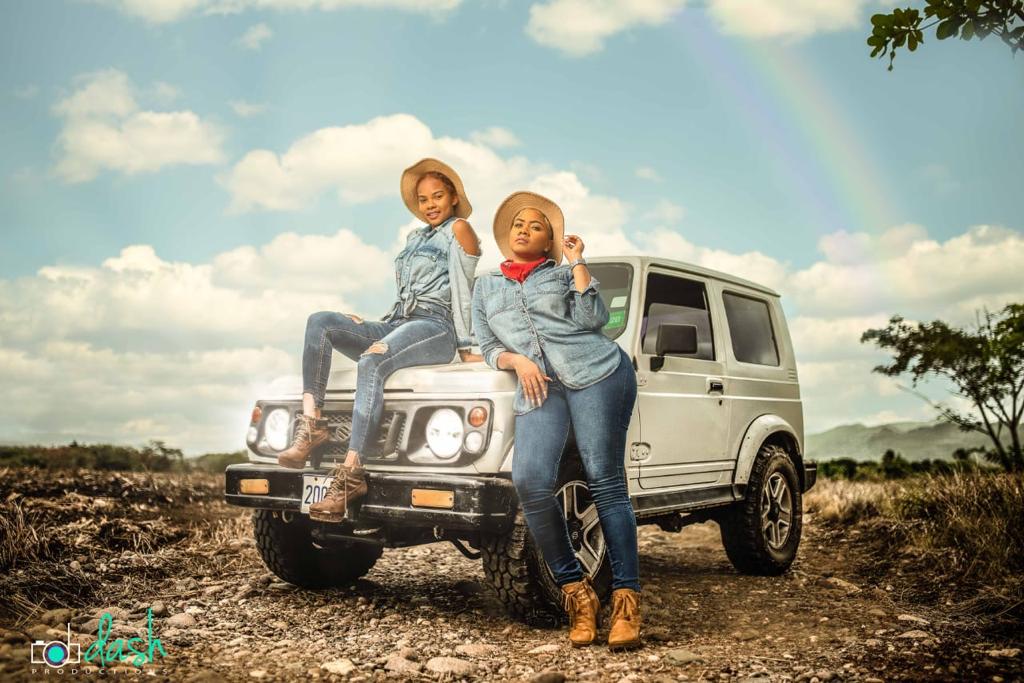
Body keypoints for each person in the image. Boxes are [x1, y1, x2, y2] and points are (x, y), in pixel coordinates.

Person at [470, 191, 641, 649]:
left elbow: (594, 319)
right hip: (539, 385)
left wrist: (578, 263)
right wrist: (516, 362)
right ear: (508, 236)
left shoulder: (563, 273)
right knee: (529, 481)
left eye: (536, 225)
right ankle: (577, 594)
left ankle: (626, 602)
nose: (524, 229)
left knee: (604, 478)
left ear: (549, 241)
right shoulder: (486, 287)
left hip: (597, 373)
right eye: (518, 224)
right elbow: (486, 344)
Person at [277, 158, 482, 523]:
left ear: (453, 198)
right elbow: (408, 296)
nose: (430, 204)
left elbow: (463, 291)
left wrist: (467, 347)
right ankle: (312, 426)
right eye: (423, 199)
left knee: (371, 359)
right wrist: (376, 323)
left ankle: (351, 473)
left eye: (438, 196)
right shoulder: (414, 237)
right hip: (400, 322)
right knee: (321, 322)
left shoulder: (460, 229)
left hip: (437, 327)